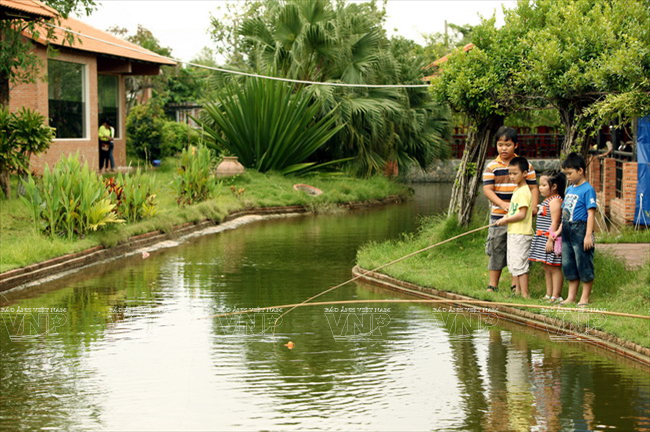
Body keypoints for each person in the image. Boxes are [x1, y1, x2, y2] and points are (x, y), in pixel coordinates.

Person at [483, 126, 539, 293]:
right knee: (496, 248)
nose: (503, 148)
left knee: (518, 250)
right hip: (499, 216)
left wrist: (534, 206)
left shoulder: (525, 165)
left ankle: (516, 285)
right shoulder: (492, 167)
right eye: (500, 145)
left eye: (507, 145)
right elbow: (487, 190)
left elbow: (534, 188)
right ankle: (492, 285)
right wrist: (502, 204)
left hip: (520, 218)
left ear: (515, 145)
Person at [558, 153, 597, 306]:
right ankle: (571, 297)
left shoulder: (588, 190)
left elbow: (591, 213)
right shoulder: (569, 190)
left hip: (580, 228)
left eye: (570, 173)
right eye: (566, 174)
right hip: (567, 228)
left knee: (583, 262)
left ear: (580, 171)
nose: (568, 177)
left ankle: (584, 298)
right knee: (568, 262)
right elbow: (564, 212)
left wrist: (588, 235)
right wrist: (560, 230)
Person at [495, 157, 534, 298]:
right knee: (514, 264)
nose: (511, 176)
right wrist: (505, 218)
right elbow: (514, 212)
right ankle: (517, 292)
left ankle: (525, 295)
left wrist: (505, 220)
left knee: (521, 265)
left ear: (524, 173)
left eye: (514, 173)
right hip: (514, 232)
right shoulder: (517, 190)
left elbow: (522, 214)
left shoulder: (524, 191)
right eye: (509, 173)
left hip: (521, 233)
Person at [529, 170, 566, 303]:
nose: (540, 188)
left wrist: (551, 239)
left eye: (544, 185)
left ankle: (556, 295)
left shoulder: (555, 201)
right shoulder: (547, 200)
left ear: (554, 186)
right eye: (540, 185)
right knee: (546, 266)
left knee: (554, 267)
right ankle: (548, 294)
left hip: (550, 239)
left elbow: (555, 221)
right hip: (542, 238)